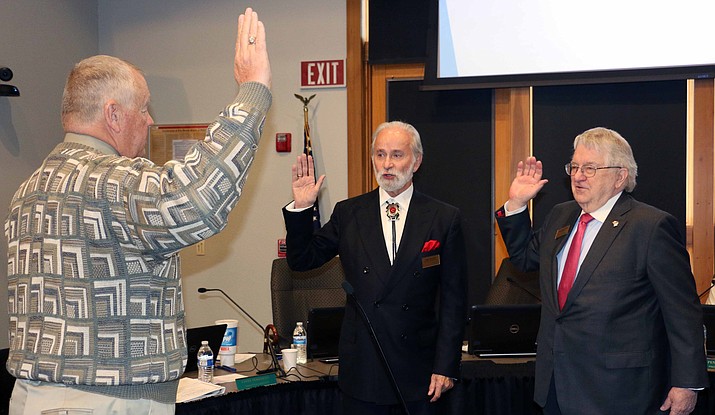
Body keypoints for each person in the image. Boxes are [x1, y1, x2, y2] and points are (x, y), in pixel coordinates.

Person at [4, 7, 271, 414]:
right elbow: (198, 202)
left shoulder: (29, 188)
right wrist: (252, 90)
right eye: (143, 108)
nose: (150, 121)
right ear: (113, 114)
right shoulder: (111, 181)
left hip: (34, 398)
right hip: (104, 404)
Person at [495, 127, 708, 415]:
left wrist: (687, 383)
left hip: (621, 390)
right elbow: (523, 260)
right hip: (556, 384)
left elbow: (683, 312)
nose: (579, 175)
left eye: (591, 168)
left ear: (620, 176)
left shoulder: (650, 227)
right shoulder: (561, 215)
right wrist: (517, 206)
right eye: (575, 166)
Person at [282, 121, 467, 415]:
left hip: (419, 368)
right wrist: (302, 209)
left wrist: (446, 366)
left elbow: (454, 302)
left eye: (397, 155)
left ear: (416, 161)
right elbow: (302, 261)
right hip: (364, 367)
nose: (387, 164)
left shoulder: (443, 218)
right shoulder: (349, 213)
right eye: (380, 155)